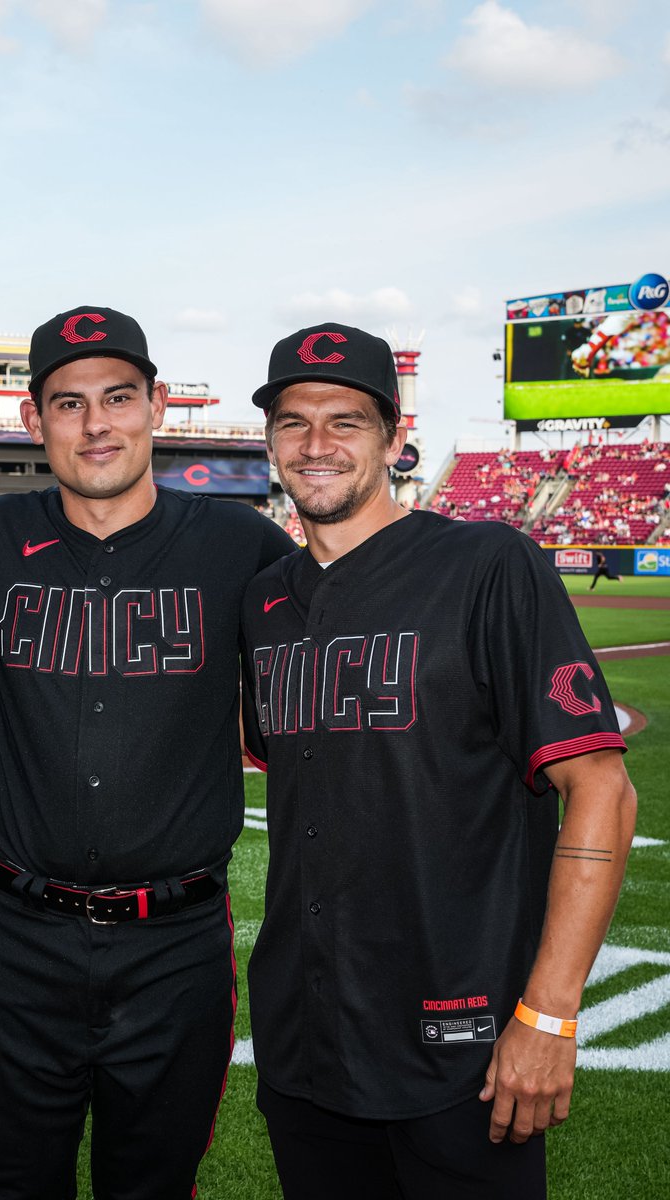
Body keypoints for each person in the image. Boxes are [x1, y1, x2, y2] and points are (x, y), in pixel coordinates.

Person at [239, 322, 637, 1199]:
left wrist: (549, 1013)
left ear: (393, 438)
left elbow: (601, 788)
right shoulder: (265, 600)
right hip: (307, 1036)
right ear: (269, 440)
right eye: (293, 421)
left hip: (462, 1038)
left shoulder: (489, 564)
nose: (316, 444)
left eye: (346, 421)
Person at [0, 305, 296, 1199]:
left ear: (158, 404)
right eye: (68, 403)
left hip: (176, 947)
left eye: (119, 397)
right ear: (33, 420)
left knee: (153, 1186)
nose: (97, 424)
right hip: (21, 936)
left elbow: (306, 712)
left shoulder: (243, 544)